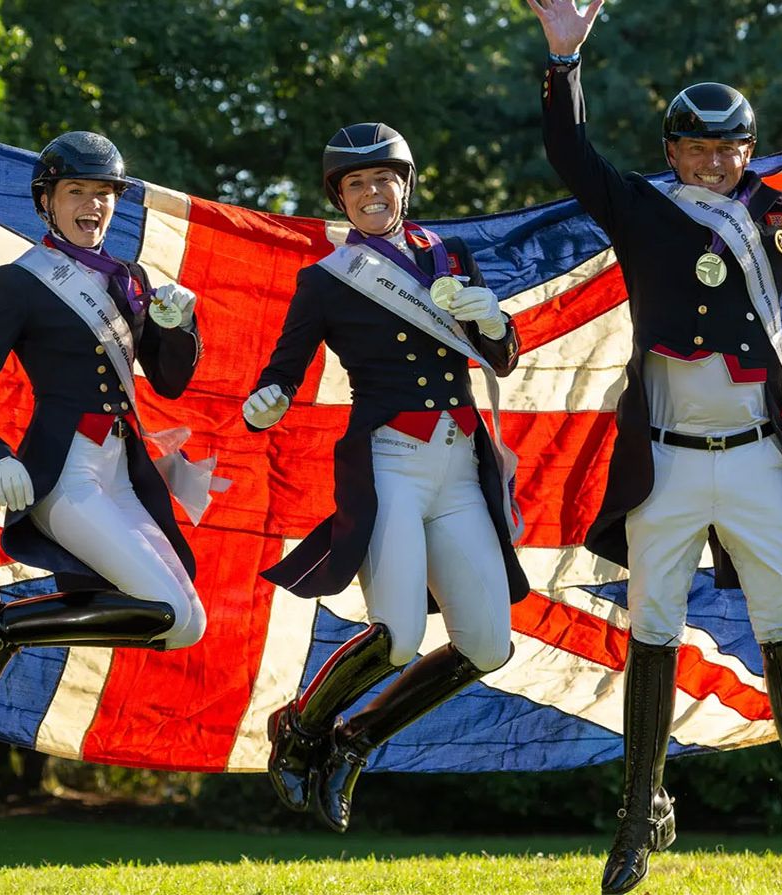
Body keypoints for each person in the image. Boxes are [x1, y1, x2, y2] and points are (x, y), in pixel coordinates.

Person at [527, 1, 782, 892]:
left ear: (749, 149)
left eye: (729, 148)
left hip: (755, 455)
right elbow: (570, 153)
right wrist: (564, 58)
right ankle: (638, 817)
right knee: (653, 630)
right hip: (666, 458)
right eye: (697, 148)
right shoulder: (640, 208)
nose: (714, 162)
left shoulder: (777, 217)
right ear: (672, 152)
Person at [246, 123, 527, 832]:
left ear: (405, 185)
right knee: (397, 637)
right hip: (391, 463)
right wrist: (269, 397)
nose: (373, 192)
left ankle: (356, 740)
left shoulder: (451, 255)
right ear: (339, 198)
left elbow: (500, 358)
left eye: (384, 180)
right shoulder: (326, 278)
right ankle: (301, 728)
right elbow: (283, 368)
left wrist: (496, 323)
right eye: (357, 184)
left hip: (459, 466)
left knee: (489, 644)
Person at [0, 132, 206, 719]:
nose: (93, 205)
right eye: (77, 191)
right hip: (63, 474)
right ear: (48, 202)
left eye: (104, 193)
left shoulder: (131, 278)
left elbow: (169, 383)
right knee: (165, 609)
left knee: (188, 625)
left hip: (120, 473)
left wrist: (179, 328)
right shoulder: (21, 280)